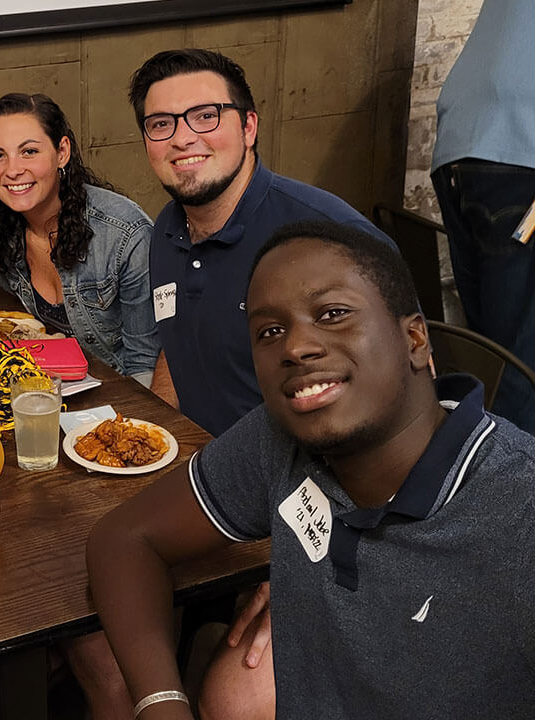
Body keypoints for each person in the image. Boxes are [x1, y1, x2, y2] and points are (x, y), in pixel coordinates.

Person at [87, 220, 535, 719]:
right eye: (270, 332)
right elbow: (126, 539)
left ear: (414, 340)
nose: (296, 347)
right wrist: (162, 705)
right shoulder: (280, 439)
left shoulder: (519, 512)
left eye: (333, 313)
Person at [128, 48, 391, 436]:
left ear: (248, 127)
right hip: (201, 464)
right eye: (161, 124)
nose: (183, 138)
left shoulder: (326, 237)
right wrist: (157, 434)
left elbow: (395, 388)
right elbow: (179, 336)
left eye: (205, 116)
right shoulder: (167, 228)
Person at [0, 93, 159, 385]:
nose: (13, 170)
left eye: (29, 151)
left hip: (120, 398)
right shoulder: (2, 229)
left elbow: (145, 366)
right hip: (54, 388)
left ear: (62, 152)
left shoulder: (124, 234)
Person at [432, 0, 535, 434]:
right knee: (519, 351)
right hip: (520, 141)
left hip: (461, 138)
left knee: (488, 340)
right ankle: (510, 485)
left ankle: (474, 461)